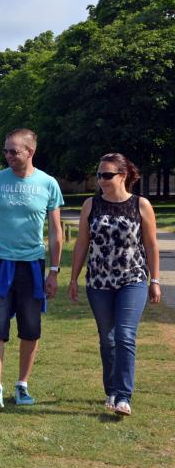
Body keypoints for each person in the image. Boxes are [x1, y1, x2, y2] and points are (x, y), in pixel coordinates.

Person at [0, 128, 64, 408]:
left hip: (32, 266)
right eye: (6, 151)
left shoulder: (48, 184)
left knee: (31, 329)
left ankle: (22, 385)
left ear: (30, 152)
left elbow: (56, 231)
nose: (8, 156)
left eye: (14, 151)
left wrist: (54, 271)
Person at [69, 153, 160, 416]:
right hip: (98, 281)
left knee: (125, 335)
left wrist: (155, 280)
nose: (101, 180)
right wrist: (73, 278)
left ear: (123, 175)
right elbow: (82, 244)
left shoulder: (141, 205)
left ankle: (123, 396)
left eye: (107, 175)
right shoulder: (91, 205)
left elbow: (152, 245)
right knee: (107, 340)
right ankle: (111, 389)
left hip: (133, 279)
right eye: (99, 175)